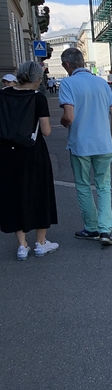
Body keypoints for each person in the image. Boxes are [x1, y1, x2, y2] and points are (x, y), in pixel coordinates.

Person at [59, 48, 112, 246]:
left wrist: (63, 122)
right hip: (104, 145)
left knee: (84, 186)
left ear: (67, 65)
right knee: (104, 187)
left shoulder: (67, 83)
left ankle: (91, 228)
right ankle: (105, 230)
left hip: (81, 145)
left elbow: (68, 116)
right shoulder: (102, 83)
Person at [0, 61, 59, 260]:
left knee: (14, 194)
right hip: (33, 152)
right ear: (36, 79)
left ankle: (22, 245)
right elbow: (46, 131)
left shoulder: (2, 95)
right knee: (40, 192)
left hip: (7, 153)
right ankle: (41, 243)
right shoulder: (38, 98)